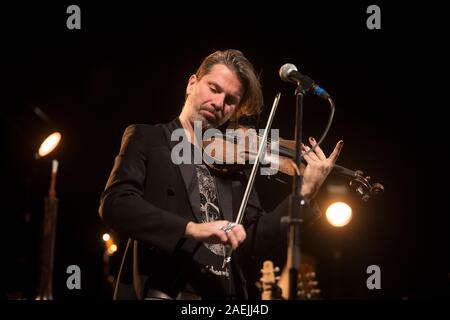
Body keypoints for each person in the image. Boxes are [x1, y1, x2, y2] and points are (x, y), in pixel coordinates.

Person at [98, 49, 343, 300]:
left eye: (230, 100)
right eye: (214, 89)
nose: (219, 104)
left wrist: (304, 193)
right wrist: (191, 229)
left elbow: (254, 242)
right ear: (192, 83)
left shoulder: (233, 163)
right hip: (167, 290)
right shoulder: (148, 138)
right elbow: (117, 204)